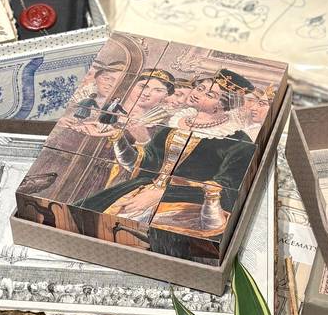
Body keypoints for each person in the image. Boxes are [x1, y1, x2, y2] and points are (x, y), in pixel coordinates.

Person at [78, 69, 255, 232]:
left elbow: (226, 190)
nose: (197, 94)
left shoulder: (238, 141)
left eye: (209, 94)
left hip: (190, 205)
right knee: (85, 213)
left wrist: (162, 194)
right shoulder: (174, 122)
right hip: (144, 188)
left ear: (222, 105)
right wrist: (117, 136)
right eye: (199, 88)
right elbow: (146, 163)